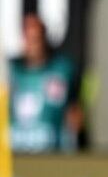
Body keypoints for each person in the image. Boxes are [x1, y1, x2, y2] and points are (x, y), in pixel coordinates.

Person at [8, 14, 82, 153]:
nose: (33, 44)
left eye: (37, 38)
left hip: (51, 154)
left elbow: (74, 107)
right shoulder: (10, 72)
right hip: (14, 154)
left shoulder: (62, 70)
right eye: (28, 38)